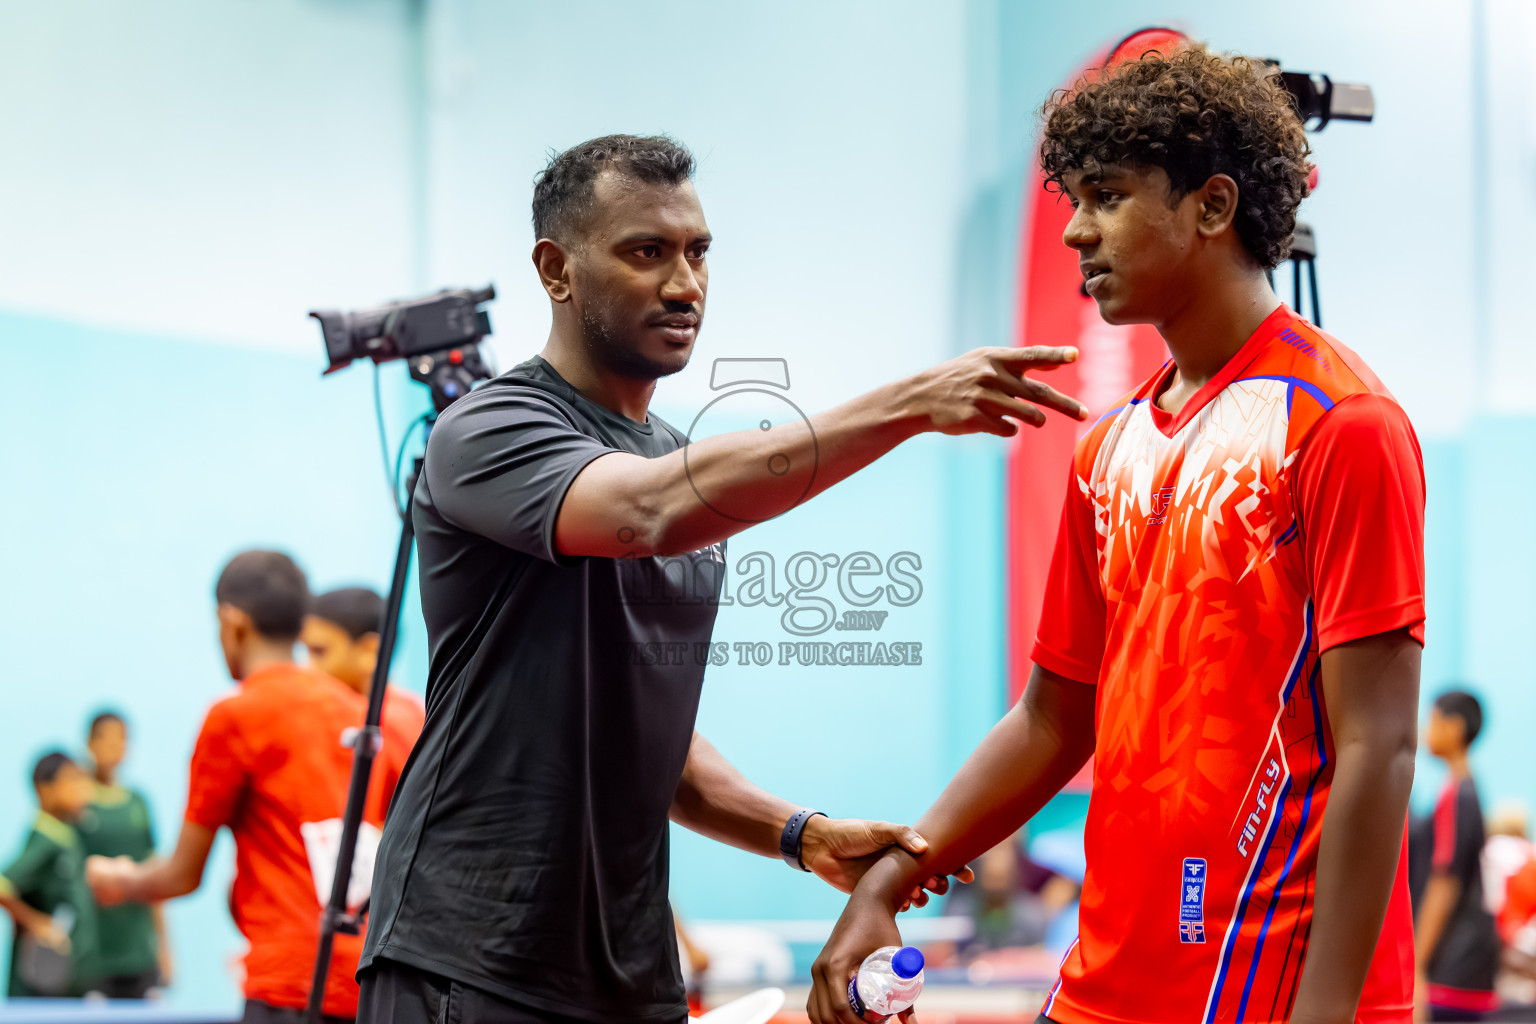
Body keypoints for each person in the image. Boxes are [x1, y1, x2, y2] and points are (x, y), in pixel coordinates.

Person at [357, 133, 1087, 1024]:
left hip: (632, 973)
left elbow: (656, 747)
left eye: (698, 252)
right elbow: (649, 511)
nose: (684, 284)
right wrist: (904, 405)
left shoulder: (676, 459)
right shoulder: (489, 432)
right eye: (646, 252)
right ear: (557, 269)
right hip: (466, 957)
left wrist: (798, 834)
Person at [808, 43, 1425, 1024]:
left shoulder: (1343, 423)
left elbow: (1379, 746)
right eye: (1071, 200)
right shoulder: (1110, 447)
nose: (1075, 233)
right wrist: (888, 876)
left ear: (1212, 207)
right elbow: (1053, 718)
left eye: (1106, 197)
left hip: (1270, 989)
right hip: (1103, 987)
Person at [87, 551, 405, 1023]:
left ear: (231, 622)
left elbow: (182, 874)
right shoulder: (363, 714)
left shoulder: (234, 717)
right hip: (368, 981)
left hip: (288, 986)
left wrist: (120, 881)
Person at [1413, 691, 1500, 1020]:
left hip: (1450, 967)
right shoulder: (1471, 790)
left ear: (1454, 727)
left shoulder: (1454, 794)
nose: (1426, 731)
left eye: (1432, 720)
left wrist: (1417, 964)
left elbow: (1445, 882)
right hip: (1472, 966)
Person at [76, 711, 171, 999]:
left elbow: (156, 876)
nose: (114, 746)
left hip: (139, 951)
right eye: (105, 738)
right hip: (95, 953)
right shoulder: (77, 801)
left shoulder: (138, 803)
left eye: (122, 738)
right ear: (90, 744)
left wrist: (165, 949)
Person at [303, 586, 427, 803]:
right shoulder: (413, 709)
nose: (308, 667)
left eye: (319, 652)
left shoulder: (392, 722)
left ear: (370, 651)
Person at [0, 752, 98, 998]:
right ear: (44, 789)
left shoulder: (67, 835)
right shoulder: (45, 839)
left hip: (68, 979)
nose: (81, 789)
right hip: (39, 986)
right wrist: (36, 923)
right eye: (71, 781)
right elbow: (2, 884)